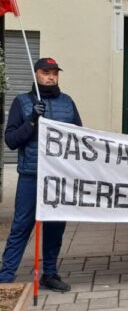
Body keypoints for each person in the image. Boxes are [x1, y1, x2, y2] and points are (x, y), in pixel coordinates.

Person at [0, 58, 82, 292]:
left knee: (55, 227)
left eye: (54, 73)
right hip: (31, 176)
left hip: (58, 179)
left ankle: (50, 273)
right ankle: (5, 274)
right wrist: (32, 121)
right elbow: (11, 140)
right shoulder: (22, 103)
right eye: (46, 72)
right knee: (22, 226)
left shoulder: (68, 103)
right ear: (36, 74)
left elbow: (79, 137)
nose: (51, 77)